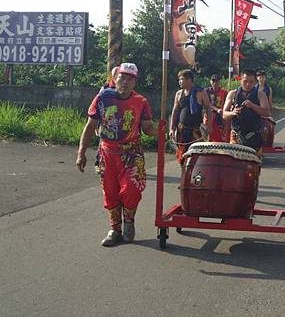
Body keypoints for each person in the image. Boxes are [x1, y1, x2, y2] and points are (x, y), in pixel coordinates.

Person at [76, 63, 157, 247]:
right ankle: (114, 228)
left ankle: (129, 221)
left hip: (132, 153)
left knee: (132, 190)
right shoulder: (103, 98)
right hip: (107, 152)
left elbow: (147, 128)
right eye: (122, 77)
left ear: (135, 81)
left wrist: (161, 130)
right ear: (115, 78)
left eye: (130, 78)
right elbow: (90, 127)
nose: (125, 81)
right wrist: (81, 152)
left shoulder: (141, 102)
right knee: (110, 192)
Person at [169, 69, 212, 166]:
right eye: (179, 80)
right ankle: (184, 177)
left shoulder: (200, 92)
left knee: (196, 158)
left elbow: (208, 109)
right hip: (182, 130)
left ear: (189, 80)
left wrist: (209, 126)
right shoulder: (179, 94)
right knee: (182, 157)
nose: (180, 82)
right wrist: (172, 128)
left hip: (195, 131)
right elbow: (175, 110)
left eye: (182, 79)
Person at [223, 69, 270, 155]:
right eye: (245, 81)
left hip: (254, 135)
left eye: (251, 82)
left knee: (253, 165)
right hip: (236, 135)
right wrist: (233, 113)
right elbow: (224, 114)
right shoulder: (232, 94)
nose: (248, 84)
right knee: (234, 163)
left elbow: (267, 112)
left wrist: (253, 106)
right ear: (240, 80)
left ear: (255, 82)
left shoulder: (260, 94)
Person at [206, 74, 229, 142]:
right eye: (213, 81)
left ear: (219, 82)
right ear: (210, 81)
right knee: (209, 136)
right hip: (209, 116)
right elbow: (207, 104)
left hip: (221, 116)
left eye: (217, 81)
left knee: (220, 136)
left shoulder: (224, 92)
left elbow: (227, 103)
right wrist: (216, 109)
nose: (215, 83)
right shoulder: (206, 91)